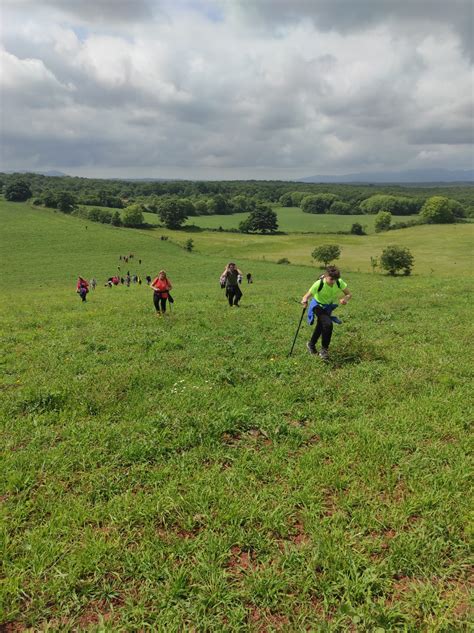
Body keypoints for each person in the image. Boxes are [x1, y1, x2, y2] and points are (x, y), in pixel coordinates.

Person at [301, 265, 352, 360]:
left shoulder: (339, 282)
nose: (334, 281)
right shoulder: (318, 284)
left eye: (336, 279)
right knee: (328, 324)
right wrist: (304, 301)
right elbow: (306, 296)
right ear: (326, 275)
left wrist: (345, 299)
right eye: (331, 279)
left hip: (327, 307)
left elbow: (349, 294)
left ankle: (311, 345)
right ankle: (324, 350)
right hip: (317, 305)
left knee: (321, 326)